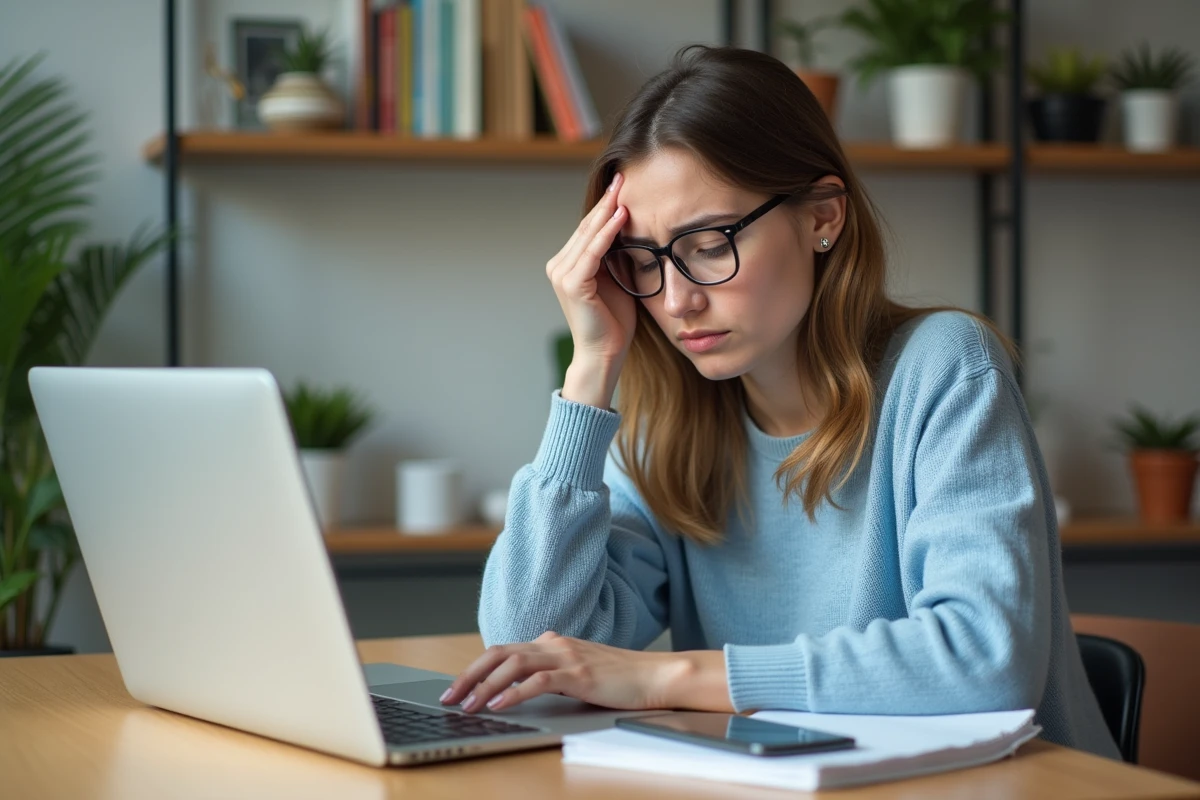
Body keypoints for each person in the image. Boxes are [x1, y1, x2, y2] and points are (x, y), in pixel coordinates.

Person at [438, 45, 1120, 759]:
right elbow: (526, 649)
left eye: (707, 244)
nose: (677, 301)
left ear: (823, 216)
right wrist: (591, 368)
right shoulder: (671, 426)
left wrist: (667, 676)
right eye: (642, 261)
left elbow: (983, 659)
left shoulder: (945, 367)